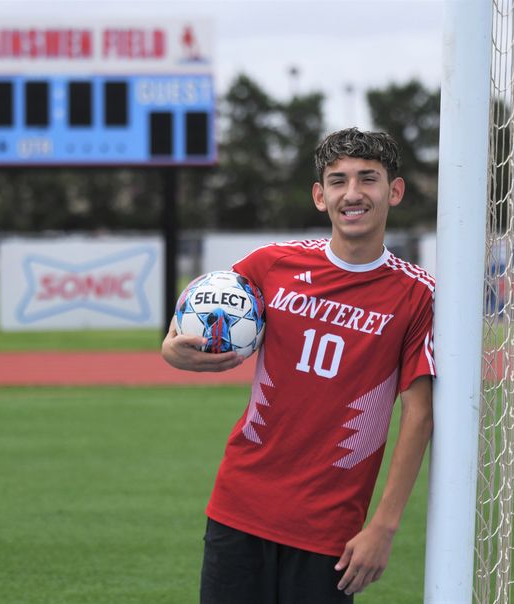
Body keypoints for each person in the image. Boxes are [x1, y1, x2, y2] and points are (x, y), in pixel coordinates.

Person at [162, 127, 435, 602]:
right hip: (238, 505)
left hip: (329, 529)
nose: (352, 194)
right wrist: (174, 353)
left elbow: (419, 413)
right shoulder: (271, 265)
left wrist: (384, 527)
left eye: (367, 179)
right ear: (319, 195)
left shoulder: (417, 295)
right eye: (337, 180)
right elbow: (185, 328)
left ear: (394, 191)